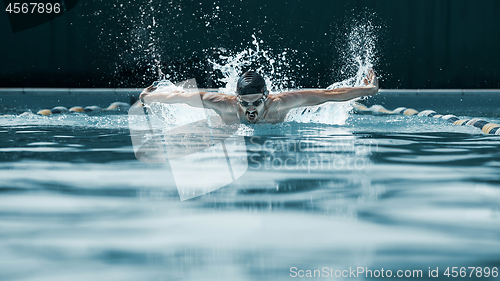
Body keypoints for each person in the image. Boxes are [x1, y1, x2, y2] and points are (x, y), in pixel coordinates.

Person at [139, 69, 379, 124]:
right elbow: (181, 96)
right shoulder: (224, 105)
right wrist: (150, 97)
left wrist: (369, 90)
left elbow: (328, 95)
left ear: (267, 96)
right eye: (245, 103)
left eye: (256, 101)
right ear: (237, 99)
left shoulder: (282, 103)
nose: (250, 108)